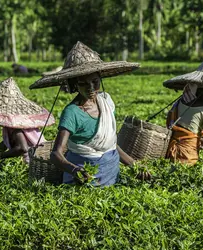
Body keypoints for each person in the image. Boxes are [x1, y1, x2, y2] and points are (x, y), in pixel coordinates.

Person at [30, 41, 150, 186]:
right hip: (81, 179)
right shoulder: (72, 112)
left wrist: (134, 165)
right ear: (74, 85)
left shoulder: (106, 102)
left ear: (100, 78)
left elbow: (111, 145)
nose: (91, 88)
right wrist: (75, 170)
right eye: (83, 83)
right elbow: (56, 154)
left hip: (111, 173)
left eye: (95, 81)